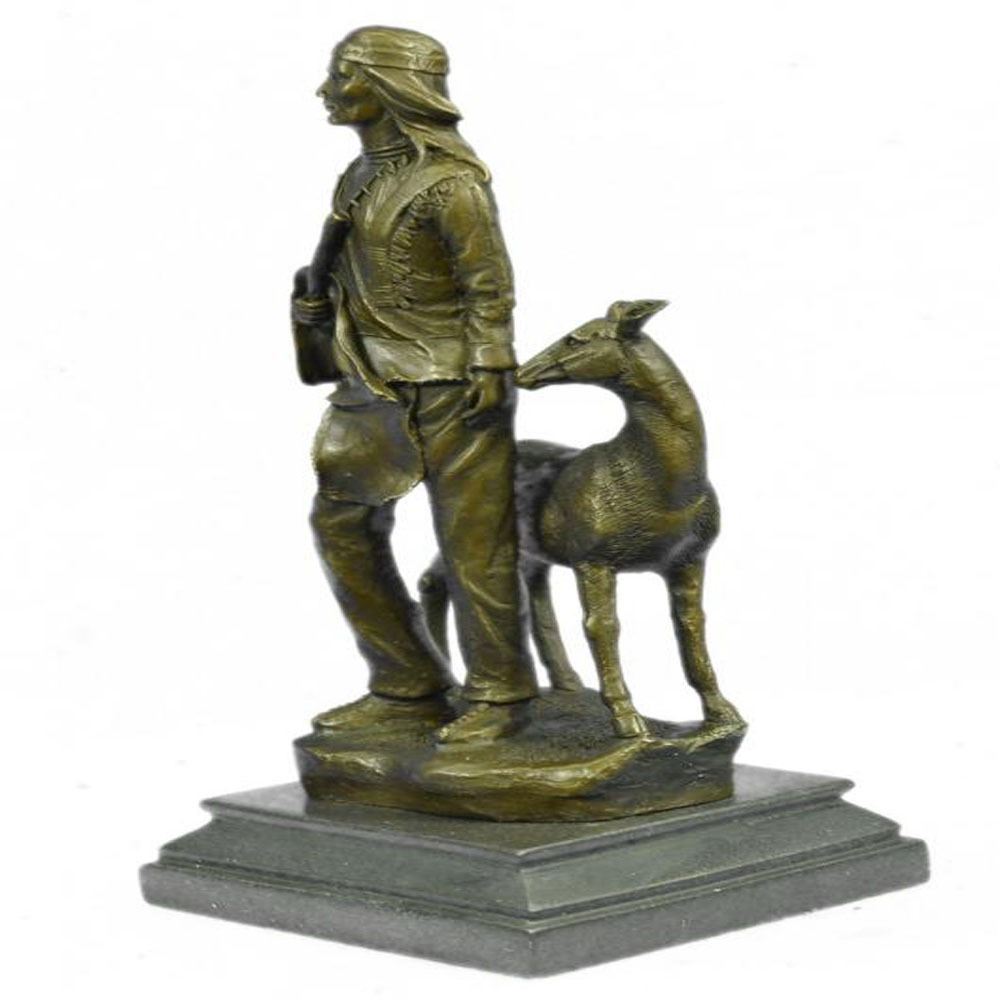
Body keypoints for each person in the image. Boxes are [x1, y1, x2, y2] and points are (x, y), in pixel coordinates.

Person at [291, 26, 537, 743]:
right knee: (342, 524)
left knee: (475, 543)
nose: (327, 90)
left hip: (455, 384)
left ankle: (500, 698)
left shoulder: (451, 182)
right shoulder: (357, 177)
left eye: (343, 75)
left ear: (388, 85)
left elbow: (488, 282)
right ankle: (407, 685)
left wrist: (492, 361)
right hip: (371, 382)